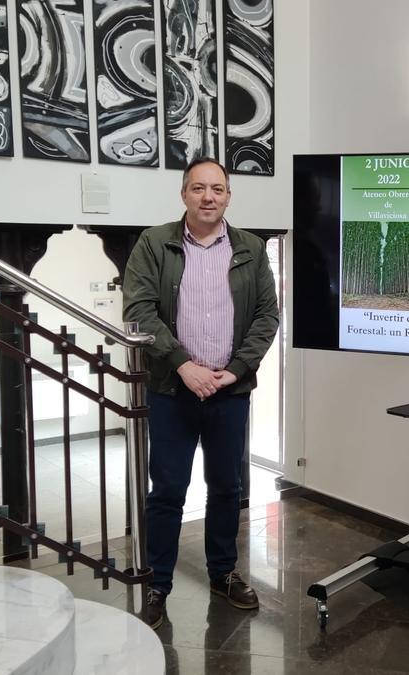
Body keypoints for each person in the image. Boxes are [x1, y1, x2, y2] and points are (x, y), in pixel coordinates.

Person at [122, 158, 279, 629]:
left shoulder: (250, 247)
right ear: (184, 194)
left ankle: (223, 573)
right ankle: (157, 584)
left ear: (229, 196)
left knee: (227, 488)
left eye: (218, 189)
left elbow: (267, 316)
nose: (208, 197)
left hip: (229, 392)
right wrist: (184, 365)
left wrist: (234, 371)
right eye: (198, 188)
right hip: (174, 389)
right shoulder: (155, 242)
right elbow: (139, 309)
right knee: (168, 491)